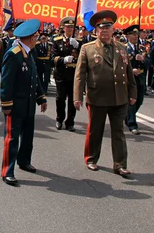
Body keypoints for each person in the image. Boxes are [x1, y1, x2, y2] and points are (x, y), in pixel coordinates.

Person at [74, 10, 137, 176]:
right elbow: (80, 74)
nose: (104, 31)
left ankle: (120, 164)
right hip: (97, 97)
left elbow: (128, 72)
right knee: (95, 130)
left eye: (108, 27)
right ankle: (91, 159)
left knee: (119, 132)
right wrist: (77, 96)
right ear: (96, 31)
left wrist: (133, 93)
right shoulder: (87, 49)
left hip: (119, 97)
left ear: (113, 30)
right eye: (101, 28)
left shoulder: (121, 48)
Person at [0, 19, 47, 186]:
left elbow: (34, 77)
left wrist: (41, 97)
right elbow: (6, 82)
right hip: (16, 105)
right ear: (31, 38)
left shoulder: (28, 52)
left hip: (28, 104)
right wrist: (6, 105)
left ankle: (24, 161)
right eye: (36, 37)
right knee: (12, 139)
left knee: (27, 137)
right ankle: (8, 171)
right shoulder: (13, 54)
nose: (37, 39)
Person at [51, 16, 82, 131]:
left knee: (72, 100)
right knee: (60, 98)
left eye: (72, 27)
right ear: (63, 28)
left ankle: (70, 122)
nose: (69, 29)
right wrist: (63, 59)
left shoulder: (79, 42)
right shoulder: (57, 40)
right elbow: (52, 58)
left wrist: (78, 47)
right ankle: (59, 119)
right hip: (61, 75)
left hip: (74, 75)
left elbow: (84, 58)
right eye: (67, 27)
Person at [124, 25, 146, 135]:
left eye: (136, 34)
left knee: (140, 100)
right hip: (129, 78)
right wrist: (131, 70)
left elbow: (150, 63)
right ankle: (132, 124)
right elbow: (120, 64)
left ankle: (128, 117)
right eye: (133, 34)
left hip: (141, 78)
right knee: (132, 100)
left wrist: (143, 60)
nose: (135, 36)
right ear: (128, 36)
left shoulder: (141, 48)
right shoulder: (124, 48)